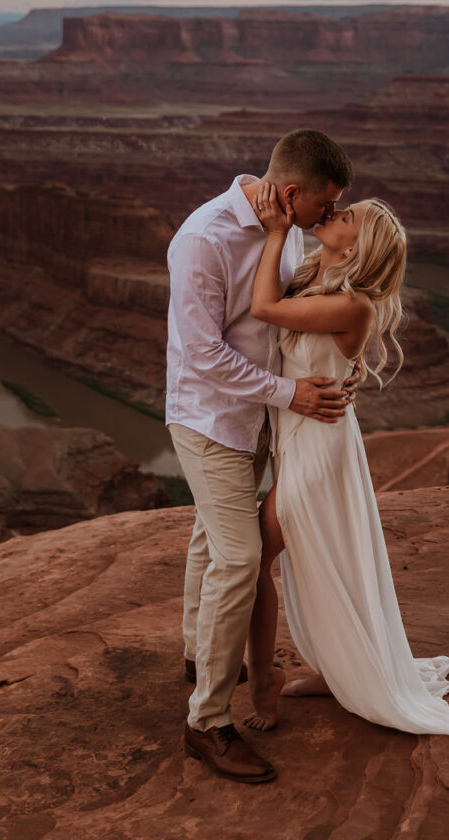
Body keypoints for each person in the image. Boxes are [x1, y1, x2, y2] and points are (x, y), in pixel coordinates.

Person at [242, 182, 449, 747]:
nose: (333, 212)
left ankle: (264, 683)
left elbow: (262, 308)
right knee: (328, 563)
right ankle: (340, 669)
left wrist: (278, 229)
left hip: (318, 452)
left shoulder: (354, 304)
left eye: (346, 215)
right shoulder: (312, 276)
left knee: (252, 558)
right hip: (301, 439)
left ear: (355, 248)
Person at [166, 128, 357, 785]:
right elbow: (202, 354)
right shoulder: (202, 238)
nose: (326, 219)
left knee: (209, 538)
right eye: (322, 207)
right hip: (209, 420)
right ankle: (207, 722)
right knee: (240, 556)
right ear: (292, 192)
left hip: (262, 419)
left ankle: (199, 653)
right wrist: (290, 393)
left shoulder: (290, 226)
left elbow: (280, 317)